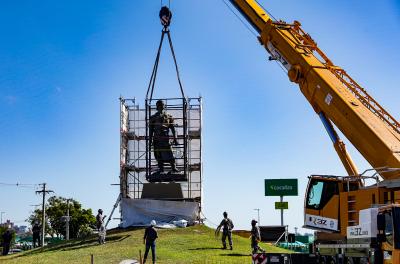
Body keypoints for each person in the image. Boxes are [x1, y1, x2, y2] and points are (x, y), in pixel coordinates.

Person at [149, 100, 179, 173]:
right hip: (157, 139)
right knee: (158, 155)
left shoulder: (169, 117)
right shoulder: (153, 117)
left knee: (170, 154)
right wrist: (150, 141)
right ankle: (161, 169)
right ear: (156, 107)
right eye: (159, 105)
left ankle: (173, 168)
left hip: (165, 139)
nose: (160, 106)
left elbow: (173, 129)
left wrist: (175, 139)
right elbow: (151, 131)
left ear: (164, 106)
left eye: (162, 105)